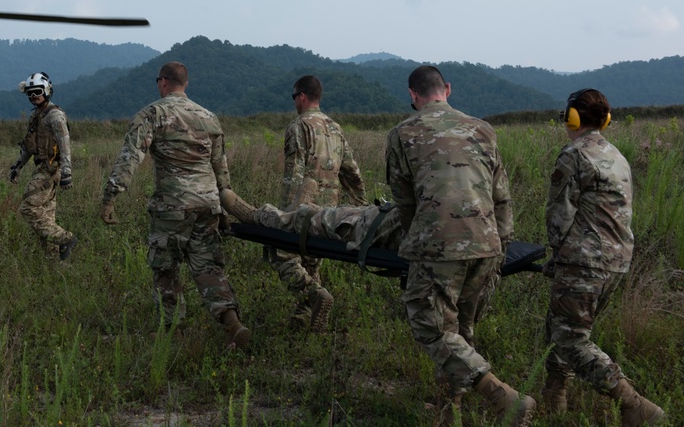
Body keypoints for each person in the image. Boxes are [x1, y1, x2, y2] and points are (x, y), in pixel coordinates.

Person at [385, 65, 535, 426]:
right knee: (461, 334)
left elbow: (404, 200)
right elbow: (502, 197)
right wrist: (501, 247)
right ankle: (450, 410)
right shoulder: (483, 129)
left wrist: (413, 240)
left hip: (438, 245)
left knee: (431, 328)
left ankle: (504, 397)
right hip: (487, 243)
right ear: (447, 89)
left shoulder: (403, 133)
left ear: (413, 95)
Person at [100, 61, 251, 349]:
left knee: (166, 267)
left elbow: (130, 158)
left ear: (163, 82)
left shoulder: (153, 114)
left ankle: (171, 331)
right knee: (209, 267)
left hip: (172, 206)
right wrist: (224, 205)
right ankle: (232, 323)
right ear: (186, 83)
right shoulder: (209, 118)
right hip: (208, 205)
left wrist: (111, 196)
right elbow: (221, 168)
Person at [542, 88, 664, 425]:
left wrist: (557, 254)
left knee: (570, 340)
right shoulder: (617, 155)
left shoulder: (574, 155)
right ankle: (555, 399)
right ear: (606, 120)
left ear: (573, 118)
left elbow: (558, 215)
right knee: (558, 327)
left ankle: (635, 404)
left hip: (585, 262)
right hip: (616, 261)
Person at [269, 75, 368, 332]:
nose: (294, 102)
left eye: (294, 97)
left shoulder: (298, 127)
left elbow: (294, 174)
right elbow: (351, 172)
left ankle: (315, 295)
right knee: (311, 262)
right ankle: (305, 318)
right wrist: (364, 208)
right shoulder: (335, 128)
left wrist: (285, 214)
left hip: (303, 210)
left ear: (302, 96)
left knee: (279, 254)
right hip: (329, 214)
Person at [220, 179, 402, 253]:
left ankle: (259, 216)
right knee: (343, 212)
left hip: (394, 225)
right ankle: (303, 208)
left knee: (323, 222)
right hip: (394, 214)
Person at [9, 72, 77, 260]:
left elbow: (65, 144)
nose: (33, 96)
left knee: (28, 208)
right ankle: (55, 263)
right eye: (29, 93)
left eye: (37, 92)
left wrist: (67, 172)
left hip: (50, 170)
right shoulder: (37, 116)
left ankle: (65, 238)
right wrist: (17, 166)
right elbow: (29, 145)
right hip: (43, 168)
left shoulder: (54, 116)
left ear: (47, 90)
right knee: (46, 215)